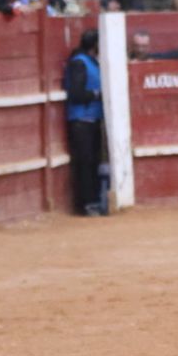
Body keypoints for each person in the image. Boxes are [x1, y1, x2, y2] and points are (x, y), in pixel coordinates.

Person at [63, 28, 105, 217]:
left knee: (92, 161)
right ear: (95, 44)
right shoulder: (80, 63)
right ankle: (88, 204)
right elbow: (76, 94)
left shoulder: (89, 62)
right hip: (81, 121)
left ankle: (93, 201)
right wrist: (97, 94)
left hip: (91, 119)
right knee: (86, 162)